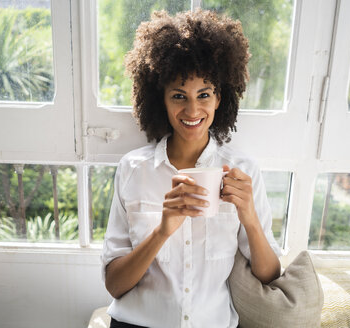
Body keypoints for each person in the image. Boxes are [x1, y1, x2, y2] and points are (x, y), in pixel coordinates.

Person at [101, 9, 281, 328]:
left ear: (219, 98)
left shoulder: (243, 170)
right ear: (162, 101)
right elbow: (115, 286)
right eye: (179, 96)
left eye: (204, 95)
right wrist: (162, 231)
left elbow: (269, 275)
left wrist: (250, 218)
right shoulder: (133, 169)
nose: (192, 109)